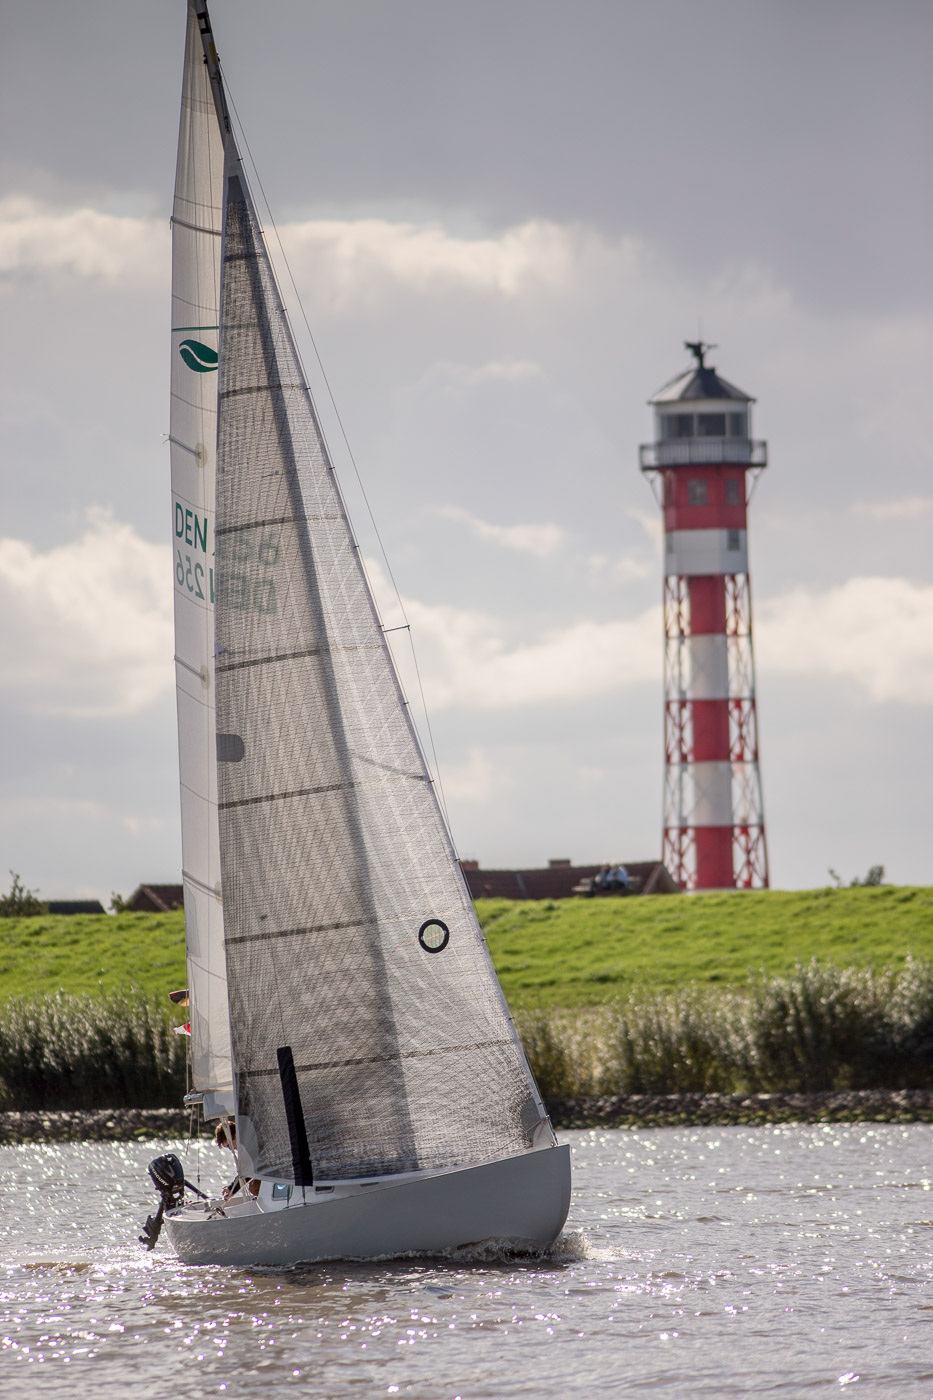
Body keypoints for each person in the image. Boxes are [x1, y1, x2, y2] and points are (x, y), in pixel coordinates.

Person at [214, 1121, 259, 1199]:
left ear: (235, 1135)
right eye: (227, 1147)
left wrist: (231, 1189)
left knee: (254, 1187)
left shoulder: (249, 1144)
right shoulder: (247, 1141)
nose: (230, 1149)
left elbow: (247, 1172)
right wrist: (231, 1189)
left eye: (229, 1145)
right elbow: (246, 1171)